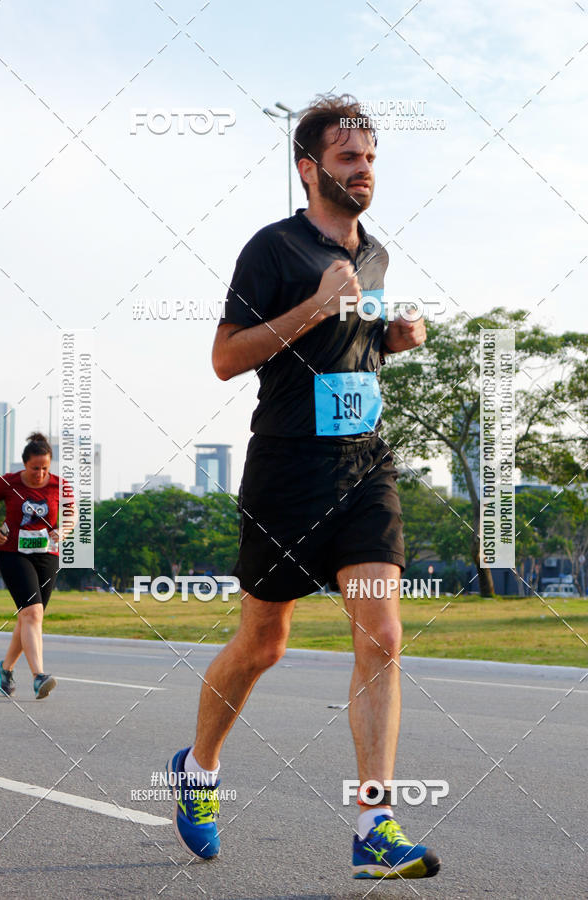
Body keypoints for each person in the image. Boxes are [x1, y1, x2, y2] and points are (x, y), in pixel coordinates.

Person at [166, 95, 440, 880]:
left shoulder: (377, 256)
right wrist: (312, 306)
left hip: (364, 465)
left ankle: (374, 824)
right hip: (287, 470)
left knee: (383, 636)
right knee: (264, 645)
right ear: (309, 167)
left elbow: (354, 352)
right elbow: (226, 358)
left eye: (372, 159)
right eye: (350, 158)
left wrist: (391, 338)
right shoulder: (273, 250)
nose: (365, 171)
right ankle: (200, 770)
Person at [0, 432, 72, 699]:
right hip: (13, 553)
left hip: (47, 554)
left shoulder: (60, 486)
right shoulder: (7, 483)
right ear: (24, 464)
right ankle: (39, 676)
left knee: (29, 617)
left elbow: (71, 516)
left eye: (45, 468)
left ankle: (6, 667)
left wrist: (65, 531)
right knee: (32, 614)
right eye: (35, 468)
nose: (40, 473)